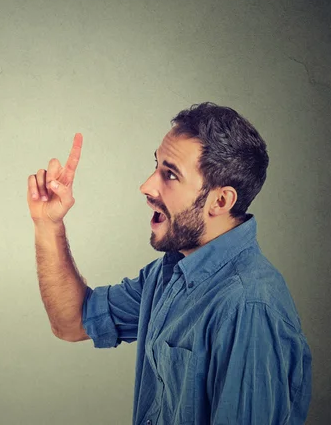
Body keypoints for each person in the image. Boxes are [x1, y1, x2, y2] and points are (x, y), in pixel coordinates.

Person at [27, 102, 312, 424]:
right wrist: (48, 225)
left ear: (220, 201)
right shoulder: (168, 275)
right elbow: (73, 323)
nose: (146, 186)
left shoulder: (248, 306)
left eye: (170, 175)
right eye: (156, 167)